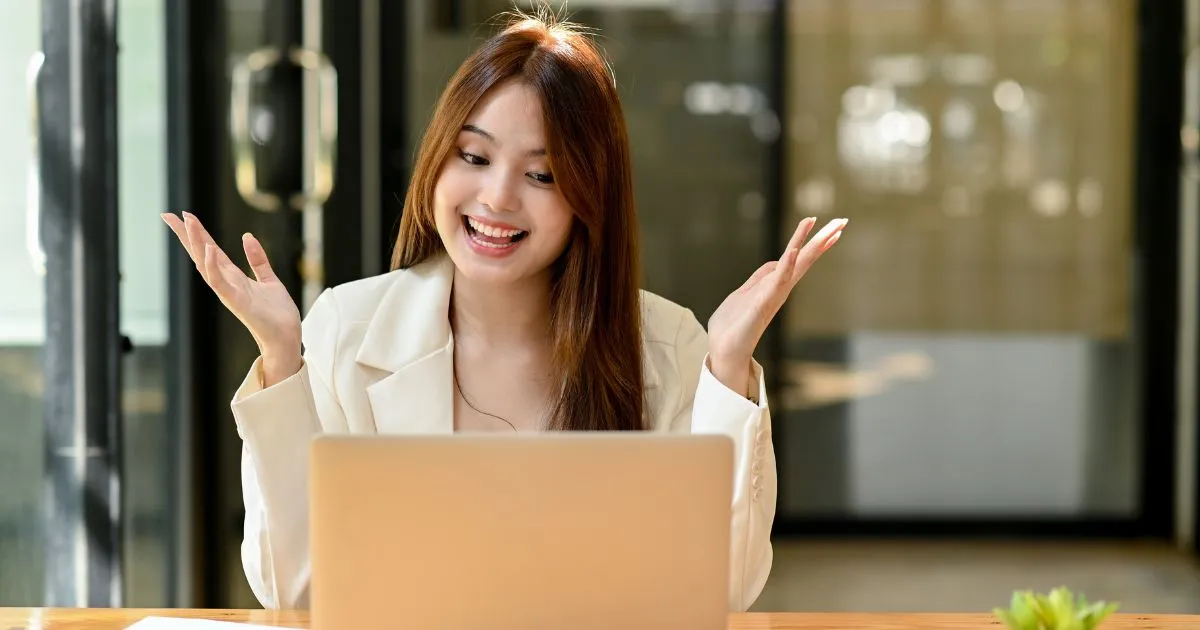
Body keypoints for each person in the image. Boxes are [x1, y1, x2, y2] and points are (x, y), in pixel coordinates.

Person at [162, 10, 845, 614]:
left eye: (542, 174)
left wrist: (726, 367)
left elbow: (726, 588)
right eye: (474, 155)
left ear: (589, 196)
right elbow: (295, 592)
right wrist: (283, 360)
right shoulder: (347, 327)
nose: (496, 197)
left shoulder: (666, 343)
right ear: (439, 159)